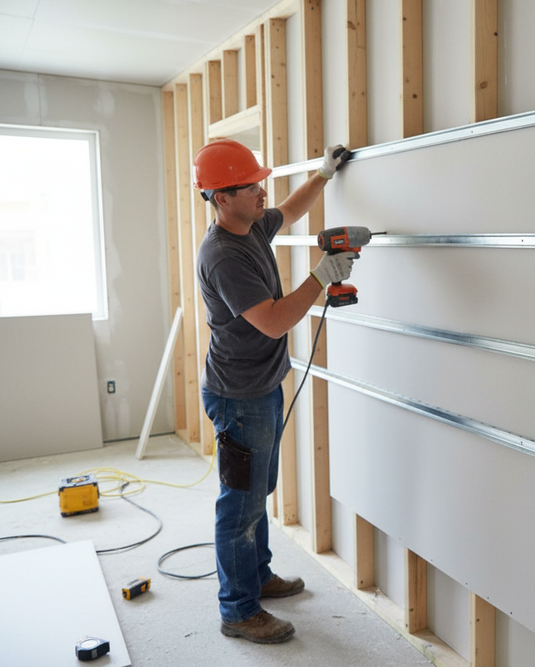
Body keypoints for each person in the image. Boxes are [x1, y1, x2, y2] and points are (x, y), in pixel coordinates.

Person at [192, 138, 359, 644]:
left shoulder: (250, 226)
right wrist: (321, 275)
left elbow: (289, 209)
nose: (263, 191)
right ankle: (238, 610)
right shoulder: (223, 255)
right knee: (239, 504)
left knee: (257, 495)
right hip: (238, 395)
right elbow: (272, 321)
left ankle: (257, 576)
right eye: (251, 186)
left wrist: (325, 175)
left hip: (262, 386)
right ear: (222, 197)